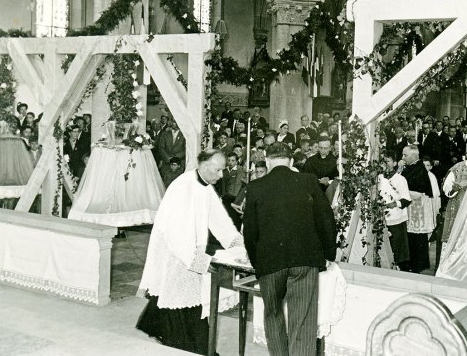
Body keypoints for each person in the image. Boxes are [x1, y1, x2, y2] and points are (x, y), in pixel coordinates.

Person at [137, 150, 244, 355]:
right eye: (218, 169)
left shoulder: (205, 186)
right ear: (203, 164)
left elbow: (219, 220)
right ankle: (197, 349)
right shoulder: (182, 187)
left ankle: (165, 333)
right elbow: (176, 234)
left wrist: (238, 245)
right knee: (183, 300)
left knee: (179, 299)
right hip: (173, 252)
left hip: (186, 250)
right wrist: (199, 262)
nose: (221, 175)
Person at [243, 142, 337, 356]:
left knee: (273, 315)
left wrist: (258, 262)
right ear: (291, 161)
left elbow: (250, 232)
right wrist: (328, 255)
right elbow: (326, 219)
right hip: (305, 259)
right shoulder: (308, 181)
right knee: (302, 319)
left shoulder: (255, 186)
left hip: (270, 261)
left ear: (266, 161)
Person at [400, 145, 434, 273]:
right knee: (410, 236)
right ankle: (409, 263)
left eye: (405, 155)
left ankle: (417, 265)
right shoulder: (408, 167)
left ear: (414, 156)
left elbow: (419, 193)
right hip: (410, 205)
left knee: (417, 237)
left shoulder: (419, 169)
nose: (402, 157)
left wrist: (401, 191)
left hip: (417, 207)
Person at [441, 141, 467, 243]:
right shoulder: (457, 168)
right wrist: (454, 189)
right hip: (458, 205)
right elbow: (447, 186)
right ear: (466, 154)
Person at [379, 150, 411, 269]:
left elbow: (406, 199)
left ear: (394, 163)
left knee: (397, 245)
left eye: (387, 161)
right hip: (383, 216)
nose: (385, 164)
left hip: (396, 216)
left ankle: (398, 266)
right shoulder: (379, 178)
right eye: (383, 161)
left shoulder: (400, 179)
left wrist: (395, 203)